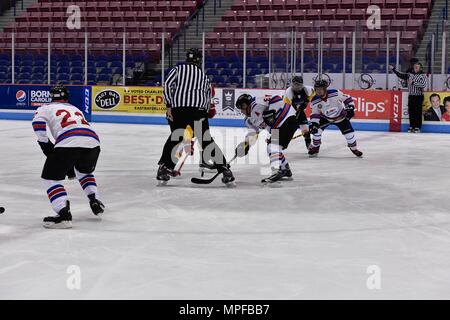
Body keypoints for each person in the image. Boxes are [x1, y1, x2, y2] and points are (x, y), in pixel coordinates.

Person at [157, 48, 234, 185]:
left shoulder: (178, 69)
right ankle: (224, 169)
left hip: (178, 110)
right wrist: (206, 110)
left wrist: (169, 105)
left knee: (176, 137)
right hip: (198, 112)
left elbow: (168, 84)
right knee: (206, 141)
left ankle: (164, 167)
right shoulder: (203, 76)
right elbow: (207, 95)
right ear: (199, 60)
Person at [32, 85, 105, 229]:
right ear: (67, 97)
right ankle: (94, 199)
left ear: (52, 97)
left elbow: (37, 123)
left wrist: (44, 143)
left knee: (50, 178)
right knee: (84, 172)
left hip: (68, 141)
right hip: (93, 142)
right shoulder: (75, 109)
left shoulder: (45, 107)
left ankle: (64, 214)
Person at [234, 93, 298, 184]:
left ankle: (276, 171)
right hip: (277, 128)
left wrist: (272, 111)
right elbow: (252, 133)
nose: (241, 111)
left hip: (287, 119)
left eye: (241, 108)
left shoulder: (256, 102)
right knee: (272, 148)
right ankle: (285, 170)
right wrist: (246, 145)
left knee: (273, 147)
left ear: (244, 105)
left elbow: (277, 98)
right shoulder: (249, 120)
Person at [308, 79, 363, 158]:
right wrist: (314, 124)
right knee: (316, 132)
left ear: (325, 89)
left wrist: (350, 107)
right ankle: (316, 148)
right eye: (317, 89)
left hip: (341, 117)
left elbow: (347, 99)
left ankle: (354, 149)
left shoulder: (335, 93)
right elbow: (315, 114)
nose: (318, 91)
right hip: (325, 118)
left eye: (320, 89)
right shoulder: (314, 100)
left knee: (350, 135)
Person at [390, 61, 428, 133]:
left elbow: (423, 85)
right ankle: (412, 126)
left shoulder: (423, 75)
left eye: (417, 67)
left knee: (417, 112)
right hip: (411, 96)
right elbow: (401, 75)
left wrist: (413, 83)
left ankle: (417, 127)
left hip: (418, 96)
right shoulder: (410, 75)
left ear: (420, 68)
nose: (415, 68)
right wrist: (394, 69)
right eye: (414, 67)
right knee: (411, 112)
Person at [283, 75, 315, 150]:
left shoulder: (308, 90)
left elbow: (313, 99)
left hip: (299, 111)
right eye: (295, 85)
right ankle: (278, 144)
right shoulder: (289, 92)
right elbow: (286, 108)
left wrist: (305, 104)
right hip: (289, 113)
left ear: (302, 85)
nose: (297, 87)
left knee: (305, 130)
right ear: (292, 84)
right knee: (287, 130)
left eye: (299, 85)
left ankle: (309, 144)